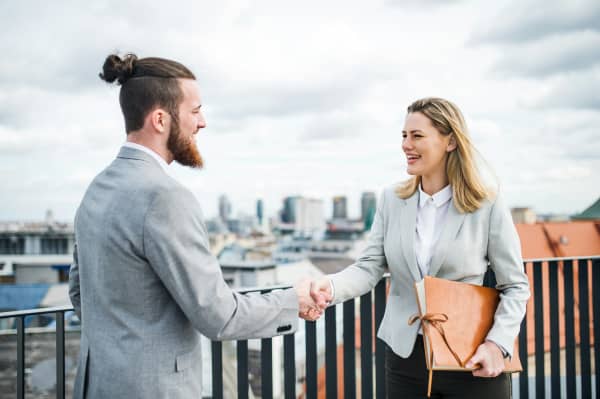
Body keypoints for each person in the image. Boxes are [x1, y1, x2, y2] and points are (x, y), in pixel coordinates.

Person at [68, 53, 322, 399]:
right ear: (160, 119)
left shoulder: (96, 188)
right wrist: (292, 300)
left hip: (96, 385)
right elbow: (218, 315)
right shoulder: (164, 197)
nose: (201, 122)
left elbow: (79, 294)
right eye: (195, 110)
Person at [307, 97, 530, 398]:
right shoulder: (391, 199)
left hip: (471, 356)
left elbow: (515, 286)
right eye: (404, 135)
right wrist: (329, 287)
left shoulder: (486, 205)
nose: (405, 145)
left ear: (450, 141)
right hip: (405, 359)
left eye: (417, 136)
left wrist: (497, 344)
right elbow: (370, 266)